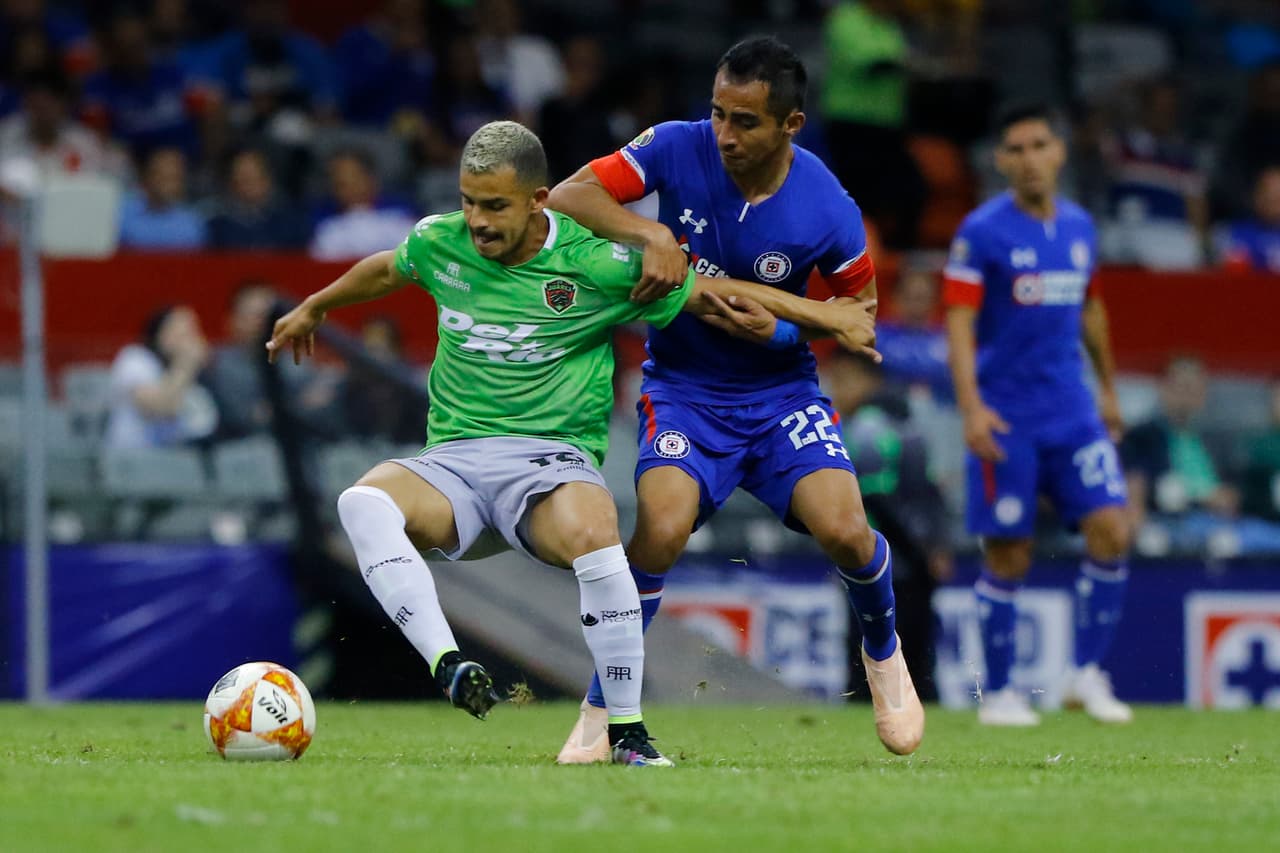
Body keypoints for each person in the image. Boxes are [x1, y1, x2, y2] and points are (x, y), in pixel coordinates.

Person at [265, 120, 879, 767]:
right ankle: (448, 663)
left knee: (598, 528)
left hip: (548, 467)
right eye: (469, 201)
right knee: (361, 502)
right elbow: (386, 269)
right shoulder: (439, 241)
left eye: (494, 205)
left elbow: (713, 297)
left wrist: (828, 315)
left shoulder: (598, 264)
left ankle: (628, 732)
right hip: (455, 467)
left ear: (537, 200)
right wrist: (315, 307)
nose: (476, 219)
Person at [547, 36, 924, 762]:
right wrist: (650, 230)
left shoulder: (828, 206)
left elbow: (861, 314)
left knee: (848, 531)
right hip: (684, 390)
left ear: (790, 124)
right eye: (718, 113)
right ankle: (604, 706)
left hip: (780, 392)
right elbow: (569, 194)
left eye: (745, 121)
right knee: (659, 528)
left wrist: (781, 326)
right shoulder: (674, 145)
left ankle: (885, 658)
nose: (724, 135)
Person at [942, 103, 1134, 726]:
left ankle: (1083, 675)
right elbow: (960, 322)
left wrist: (1107, 390)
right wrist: (971, 408)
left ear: (1060, 152)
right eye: (1015, 149)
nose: (1028, 159)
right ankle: (996, 693)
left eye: (1039, 145)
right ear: (1000, 161)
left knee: (1113, 530)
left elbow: (1092, 310)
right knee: (1009, 553)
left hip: (1073, 411)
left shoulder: (1079, 227)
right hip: (1007, 416)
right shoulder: (982, 232)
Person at [823, 350, 952, 703]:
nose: (836, 391)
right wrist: (934, 548)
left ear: (868, 382)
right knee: (920, 662)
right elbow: (933, 492)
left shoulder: (865, 428)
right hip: (918, 562)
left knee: (869, 661)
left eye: (842, 381)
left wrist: (912, 553)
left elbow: (876, 499)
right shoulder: (910, 422)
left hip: (883, 563)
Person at [104, 304, 217, 449]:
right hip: (133, 459)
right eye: (181, 333)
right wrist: (185, 364)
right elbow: (160, 408)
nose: (190, 342)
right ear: (159, 334)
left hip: (177, 458)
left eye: (193, 332)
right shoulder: (135, 359)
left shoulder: (193, 373)